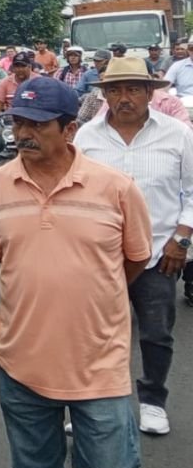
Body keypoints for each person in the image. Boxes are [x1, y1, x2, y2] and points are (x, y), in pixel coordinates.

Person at [0, 76, 151, 468]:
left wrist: (94, 290)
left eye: (38, 125)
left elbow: (135, 259)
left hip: (98, 364)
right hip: (20, 364)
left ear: (70, 129)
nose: (24, 133)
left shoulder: (116, 188)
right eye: (19, 122)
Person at [75, 58, 193, 437]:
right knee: (91, 332)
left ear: (148, 93)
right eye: (115, 90)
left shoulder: (177, 134)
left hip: (158, 255)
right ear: (105, 95)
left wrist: (182, 239)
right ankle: (87, 401)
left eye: (132, 89)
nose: (123, 98)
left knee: (156, 333)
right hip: (97, 257)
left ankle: (153, 401)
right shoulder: (86, 137)